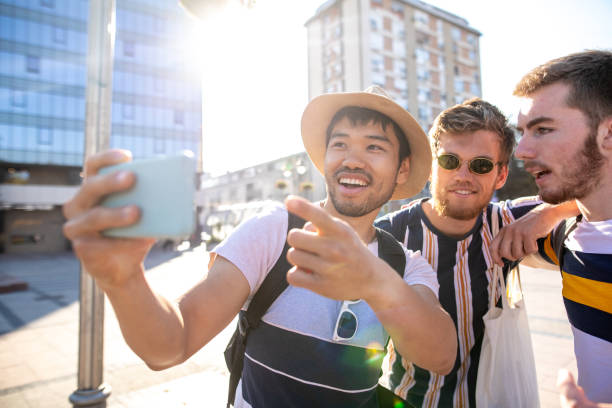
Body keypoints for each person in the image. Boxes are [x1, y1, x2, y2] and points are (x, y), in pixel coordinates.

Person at [62, 85, 457, 407]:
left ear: (402, 169)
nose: (352, 160)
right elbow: (169, 345)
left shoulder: (406, 265)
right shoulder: (273, 231)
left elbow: (441, 355)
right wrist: (125, 280)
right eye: (340, 144)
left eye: (374, 147)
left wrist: (374, 282)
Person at [374, 98, 577, 407]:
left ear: (501, 176)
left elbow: (597, 192)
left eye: (480, 165)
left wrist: (549, 214)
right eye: (449, 161)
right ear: (431, 167)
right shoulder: (389, 234)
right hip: (407, 399)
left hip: (490, 399)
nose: (463, 175)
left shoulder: (507, 222)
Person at [490, 50, 612, 406]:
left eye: (543, 129)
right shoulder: (567, 233)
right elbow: (459, 212)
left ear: (608, 134)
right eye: (523, 132)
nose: (522, 151)